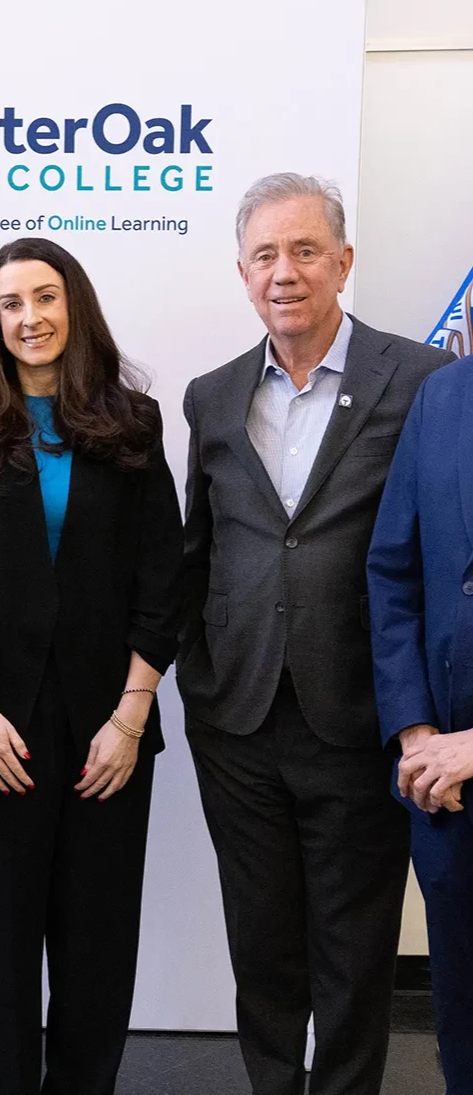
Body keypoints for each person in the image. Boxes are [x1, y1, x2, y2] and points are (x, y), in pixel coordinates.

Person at [179, 172, 453, 1095]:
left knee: (353, 949)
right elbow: (198, 545)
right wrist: (196, 677)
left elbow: (436, 549)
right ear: (243, 272)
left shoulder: (422, 381)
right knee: (261, 947)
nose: (284, 272)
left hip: (361, 713)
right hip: (238, 719)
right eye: (265, 255)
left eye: (304, 251)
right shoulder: (211, 397)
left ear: (344, 262)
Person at [0, 236, 183, 1095]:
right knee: (3, 944)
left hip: (111, 728)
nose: (29, 317)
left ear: (75, 306)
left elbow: (161, 580)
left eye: (45, 297)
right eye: (10, 304)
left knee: (98, 944)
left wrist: (131, 718)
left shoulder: (132, 421)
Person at [367, 354, 473, 1092]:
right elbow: (393, 572)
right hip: (442, 779)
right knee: (462, 1014)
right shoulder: (441, 397)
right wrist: (415, 731)